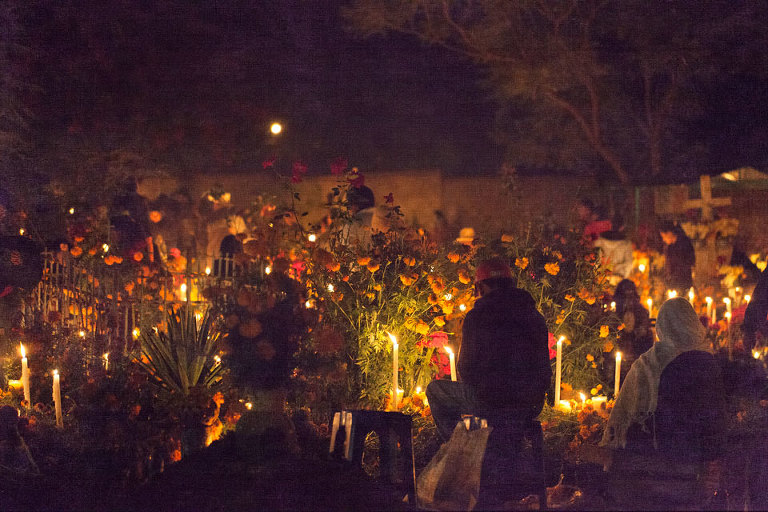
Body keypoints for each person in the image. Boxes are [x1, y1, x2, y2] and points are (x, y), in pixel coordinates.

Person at [426, 258, 551, 441]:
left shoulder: (477, 317)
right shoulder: (533, 315)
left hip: (491, 402)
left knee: (436, 390)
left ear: (481, 287)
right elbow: (543, 367)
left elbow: (466, 368)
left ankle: (459, 445)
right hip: (531, 404)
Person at [601, 297, 720, 451]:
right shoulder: (706, 360)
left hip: (650, 449)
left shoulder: (647, 363)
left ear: (661, 326)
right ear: (693, 324)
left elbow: (623, 412)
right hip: (698, 450)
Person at [612, 279, 654, 373]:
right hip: (619, 352)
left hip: (636, 352)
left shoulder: (641, 312)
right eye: (625, 296)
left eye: (631, 295)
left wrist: (640, 332)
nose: (628, 300)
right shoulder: (614, 314)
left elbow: (645, 334)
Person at [594, 215, 634, 286]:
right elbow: (629, 262)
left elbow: (595, 260)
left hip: (601, 279)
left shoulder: (600, 241)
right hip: (619, 280)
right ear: (622, 227)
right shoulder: (626, 244)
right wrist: (624, 275)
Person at [658, 220, 696, 296]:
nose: (663, 239)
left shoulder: (684, 243)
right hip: (672, 282)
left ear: (669, 233)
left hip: (683, 282)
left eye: (664, 236)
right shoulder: (669, 246)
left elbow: (689, 261)